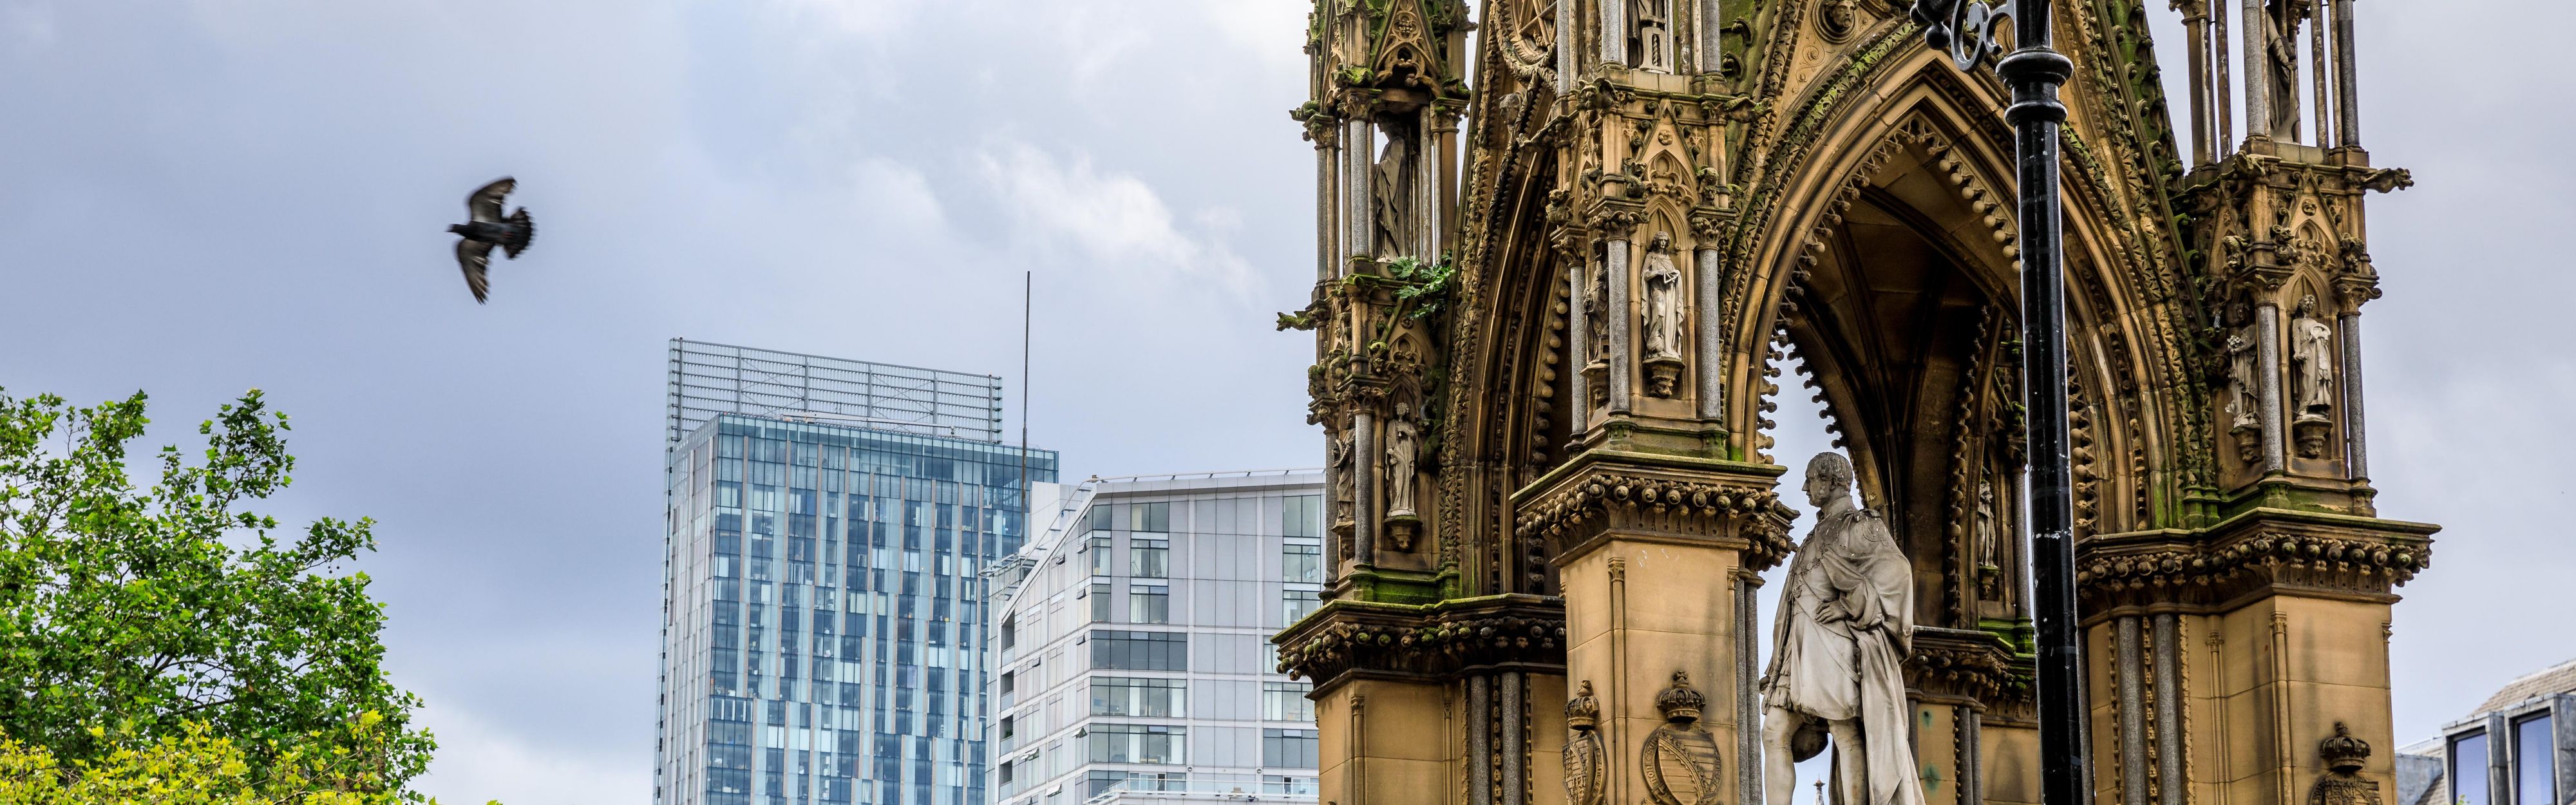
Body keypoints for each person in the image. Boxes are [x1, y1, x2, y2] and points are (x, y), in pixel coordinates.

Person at [1762, 452, 1924, 805]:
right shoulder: (1816, 532)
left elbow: (1898, 575)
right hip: (1797, 650)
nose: (1805, 487)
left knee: (1846, 732)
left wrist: (1848, 606)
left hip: (1832, 646)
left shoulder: (1860, 525)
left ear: (1832, 481)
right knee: (1774, 731)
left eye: (1811, 479)